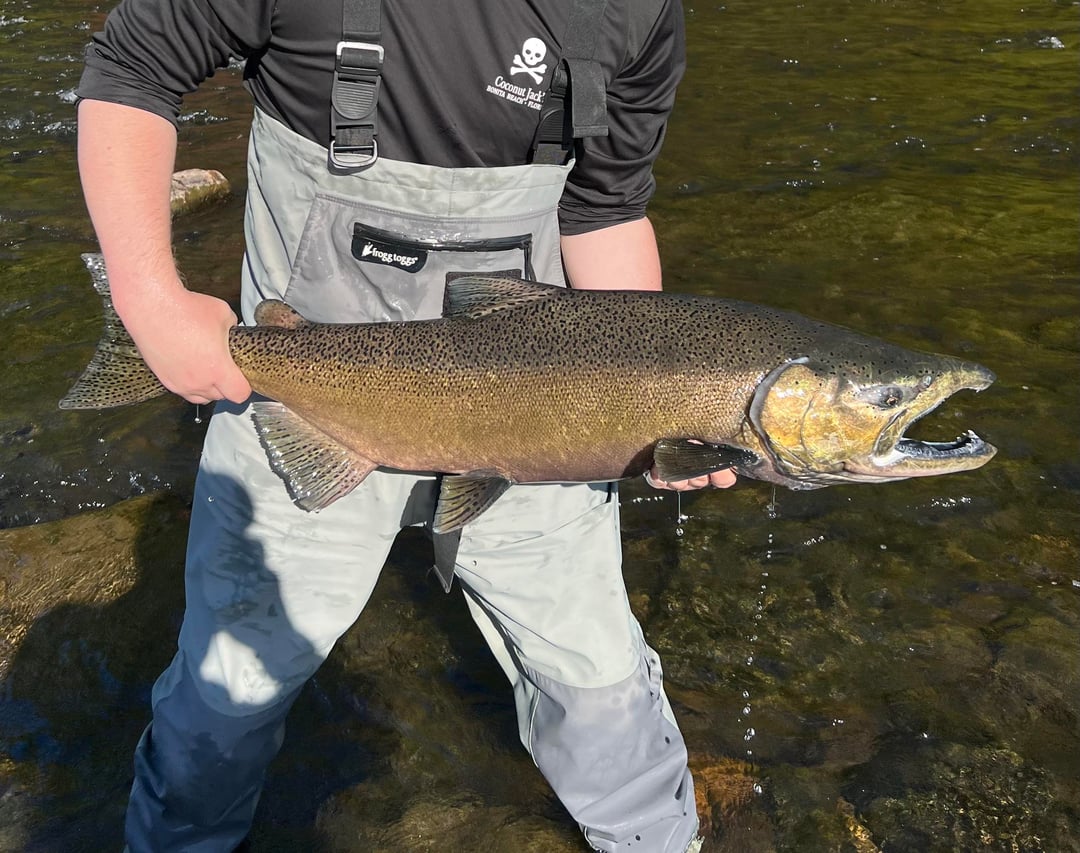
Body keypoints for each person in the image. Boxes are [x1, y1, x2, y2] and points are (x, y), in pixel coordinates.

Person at [76, 0, 736, 850]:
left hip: (537, 417)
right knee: (225, 702)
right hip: (308, 402)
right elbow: (133, 66)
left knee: (604, 693)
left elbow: (603, 209)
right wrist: (149, 303)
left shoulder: (635, 11)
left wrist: (658, 401)